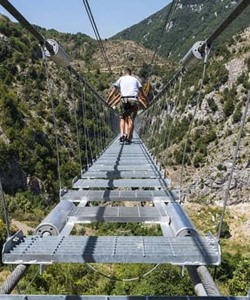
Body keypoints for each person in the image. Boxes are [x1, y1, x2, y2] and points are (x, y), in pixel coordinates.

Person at [107, 68, 148, 144]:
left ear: (124, 73)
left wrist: (107, 102)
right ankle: (129, 137)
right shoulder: (135, 80)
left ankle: (122, 134)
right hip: (133, 100)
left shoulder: (121, 79)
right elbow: (143, 94)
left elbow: (113, 92)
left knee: (122, 118)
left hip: (124, 100)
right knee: (131, 120)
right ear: (130, 73)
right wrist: (147, 102)